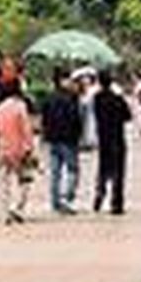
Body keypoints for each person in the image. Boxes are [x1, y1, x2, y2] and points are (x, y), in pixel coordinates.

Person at [0, 81, 36, 225]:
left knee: (4, 183)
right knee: (25, 181)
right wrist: (30, 148)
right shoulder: (20, 107)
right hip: (20, 150)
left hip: (3, 150)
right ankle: (18, 208)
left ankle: (5, 212)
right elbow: (27, 130)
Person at [40, 68, 82, 214]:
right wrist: (78, 137)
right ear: (62, 81)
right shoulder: (71, 98)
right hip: (68, 140)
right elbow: (75, 119)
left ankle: (55, 202)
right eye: (68, 79)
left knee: (55, 173)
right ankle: (66, 198)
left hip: (52, 139)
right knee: (73, 170)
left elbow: (44, 120)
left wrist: (44, 137)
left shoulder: (48, 98)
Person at [92, 70, 132, 214]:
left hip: (103, 139)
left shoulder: (97, 99)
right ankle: (116, 203)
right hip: (117, 139)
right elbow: (128, 116)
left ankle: (99, 194)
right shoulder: (117, 99)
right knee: (118, 172)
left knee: (103, 169)